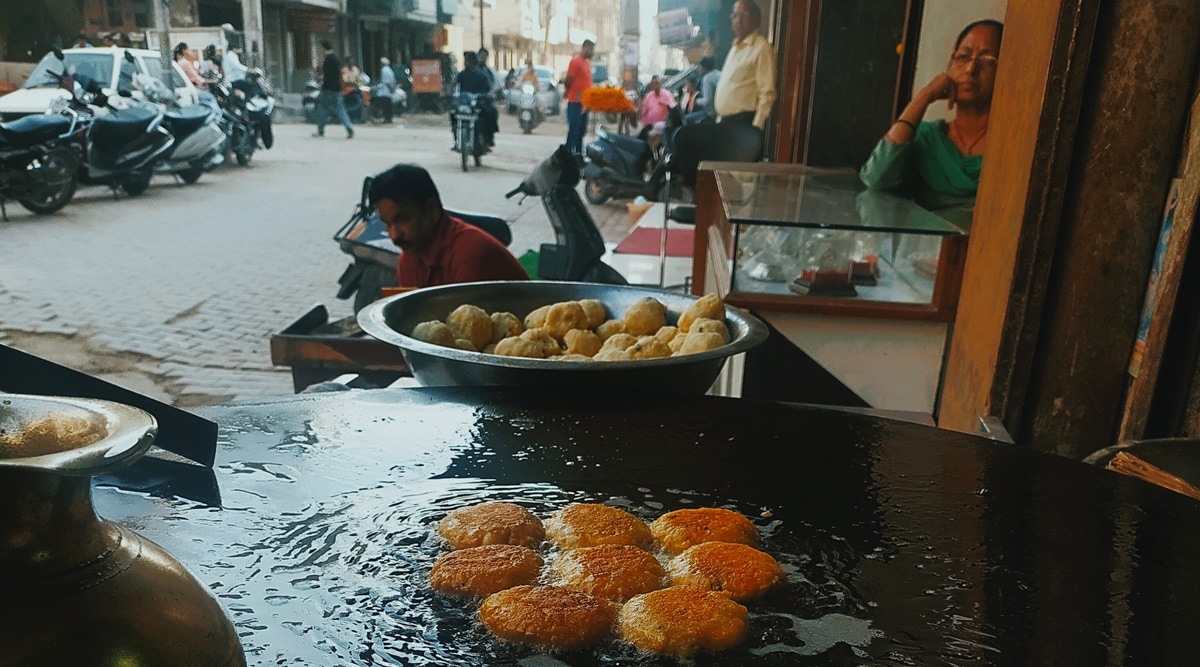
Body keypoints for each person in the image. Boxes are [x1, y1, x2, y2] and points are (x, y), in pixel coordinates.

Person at [859, 20, 1003, 211]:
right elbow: (877, 178)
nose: (971, 69)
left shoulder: (1008, 146)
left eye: (987, 60)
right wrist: (924, 97)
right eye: (963, 56)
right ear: (950, 65)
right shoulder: (928, 139)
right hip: (926, 232)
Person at [368, 164, 528, 288]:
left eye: (403, 220)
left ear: (432, 210)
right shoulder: (409, 259)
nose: (394, 235)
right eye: (387, 223)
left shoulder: (471, 257)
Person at [713, 0, 776, 128]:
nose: (738, 20)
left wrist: (755, 129)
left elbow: (767, 94)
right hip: (725, 123)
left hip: (743, 125)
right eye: (735, 15)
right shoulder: (735, 47)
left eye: (744, 15)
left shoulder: (761, 48)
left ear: (756, 20)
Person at [453, 51, 499, 145]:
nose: (466, 62)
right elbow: (453, 83)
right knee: (452, 113)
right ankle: (456, 137)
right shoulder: (462, 74)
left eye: (468, 60)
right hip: (464, 104)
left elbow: (490, 87)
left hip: (479, 103)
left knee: (491, 112)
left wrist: (489, 94)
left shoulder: (482, 75)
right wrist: (447, 92)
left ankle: (488, 138)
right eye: (465, 60)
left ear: (473, 61)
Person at [315, 40, 354, 139]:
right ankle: (349, 127)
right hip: (337, 88)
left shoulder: (327, 59)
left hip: (328, 88)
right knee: (341, 109)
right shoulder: (336, 59)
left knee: (323, 109)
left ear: (323, 48)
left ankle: (320, 131)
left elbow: (323, 73)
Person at [563, 39, 595, 154]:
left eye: (592, 50)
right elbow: (568, 80)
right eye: (589, 49)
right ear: (584, 48)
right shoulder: (576, 61)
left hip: (584, 103)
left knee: (581, 131)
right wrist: (570, 91)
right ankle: (567, 154)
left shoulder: (587, 63)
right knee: (574, 129)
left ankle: (578, 154)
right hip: (575, 101)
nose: (591, 52)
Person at [695, 56, 721, 121]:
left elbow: (707, 100)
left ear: (704, 67)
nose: (699, 69)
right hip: (720, 110)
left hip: (711, 114)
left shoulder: (707, 78)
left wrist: (695, 101)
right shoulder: (719, 74)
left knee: (686, 118)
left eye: (700, 67)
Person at [377, 56, 397, 123]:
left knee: (385, 106)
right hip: (389, 91)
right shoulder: (390, 70)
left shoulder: (384, 70)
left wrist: (390, 89)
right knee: (389, 106)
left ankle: (386, 118)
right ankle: (389, 118)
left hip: (385, 91)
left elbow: (386, 81)